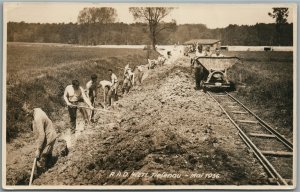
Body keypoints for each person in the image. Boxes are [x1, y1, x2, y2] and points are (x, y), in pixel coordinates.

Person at [22, 102, 57, 172]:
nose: (27, 115)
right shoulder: (37, 109)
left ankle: (42, 175)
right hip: (50, 133)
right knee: (46, 153)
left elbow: (42, 135)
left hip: (49, 137)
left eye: (27, 112)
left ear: (31, 109)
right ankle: (49, 165)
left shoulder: (38, 118)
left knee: (40, 158)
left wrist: (38, 149)